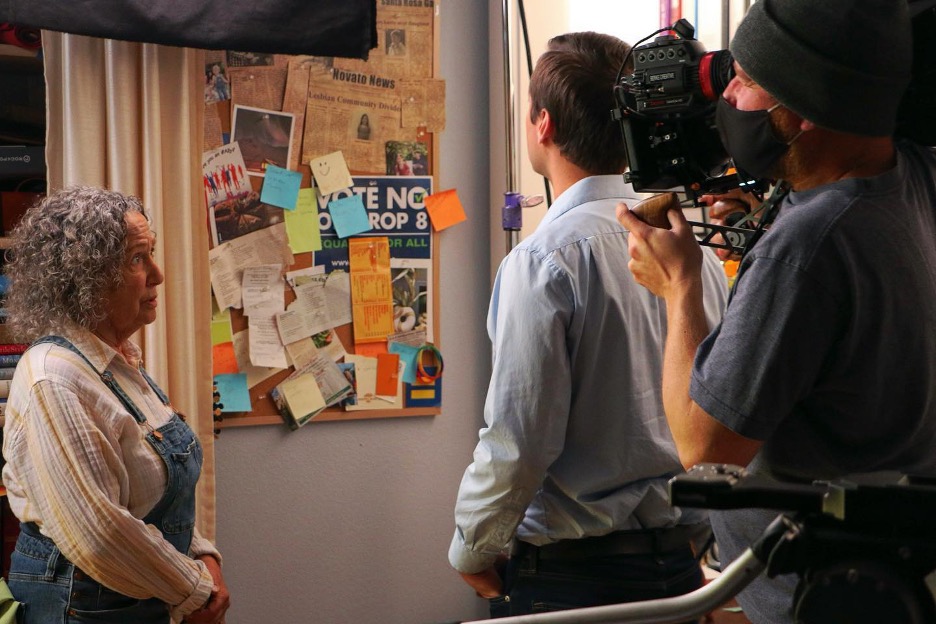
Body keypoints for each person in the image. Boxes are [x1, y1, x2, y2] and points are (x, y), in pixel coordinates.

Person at [617, 1, 936, 622]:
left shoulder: (808, 248)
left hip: (825, 599)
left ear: (805, 112)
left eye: (749, 81)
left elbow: (704, 446)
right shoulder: (914, 178)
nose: (728, 94)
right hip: (900, 580)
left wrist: (680, 286)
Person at [448, 32, 729, 618]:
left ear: (543, 124)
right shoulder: (694, 254)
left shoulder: (543, 261)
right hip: (681, 572)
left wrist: (473, 549)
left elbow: (520, 440)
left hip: (574, 583)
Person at [1, 187, 231, 624]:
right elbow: (100, 533)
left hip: (141, 601)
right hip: (83, 609)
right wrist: (197, 590)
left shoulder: (119, 362)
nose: (158, 275)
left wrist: (204, 556)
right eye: (137, 259)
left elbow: (152, 495)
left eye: (152, 255)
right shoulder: (54, 378)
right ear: (87, 274)